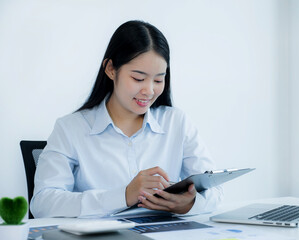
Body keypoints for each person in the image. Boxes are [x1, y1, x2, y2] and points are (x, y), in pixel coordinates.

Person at [30, 20, 223, 218]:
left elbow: (214, 191)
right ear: (111, 69)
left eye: (158, 80)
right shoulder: (71, 128)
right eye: (138, 78)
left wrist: (188, 204)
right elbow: (43, 204)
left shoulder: (177, 122)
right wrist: (123, 195)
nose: (149, 90)